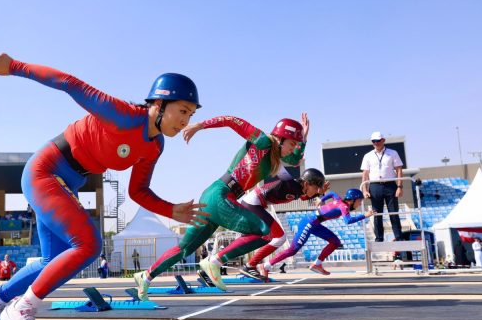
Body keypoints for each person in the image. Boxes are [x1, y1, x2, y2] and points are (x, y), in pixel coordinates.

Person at [0, 53, 207, 320]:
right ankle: (22, 307)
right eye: (182, 111)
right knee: (88, 245)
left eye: (191, 115)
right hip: (44, 171)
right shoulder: (122, 115)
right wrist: (15, 67)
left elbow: (138, 191)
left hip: (67, 183)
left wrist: (171, 210)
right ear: (158, 104)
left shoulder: (155, 146)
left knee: (51, 261)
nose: (185, 121)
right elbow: (69, 83)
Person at [135, 115, 307, 299]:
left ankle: (145, 276)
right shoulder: (262, 140)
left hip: (215, 197)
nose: (293, 149)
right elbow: (231, 121)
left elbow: (296, 159)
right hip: (221, 196)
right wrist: (200, 125)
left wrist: (303, 138)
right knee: (265, 232)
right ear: (280, 138)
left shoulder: (275, 162)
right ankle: (215, 261)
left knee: (185, 249)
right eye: (292, 143)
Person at [239, 167, 329, 280]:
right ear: (306, 184)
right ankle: (250, 265)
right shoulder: (290, 183)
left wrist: (319, 193)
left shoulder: (299, 189)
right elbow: (279, 168)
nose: (316, 191)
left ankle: (249, 264)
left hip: (254, 203)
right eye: (316, 188)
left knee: (268, 237)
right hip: (253, 203)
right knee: (280, 237)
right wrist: (274, 158)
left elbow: (304, 197)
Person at [258, 189, 374, 276]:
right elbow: (348, 221)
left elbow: (332, 193)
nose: (360, 204)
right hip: (309, 223)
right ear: (352, 200)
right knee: (293, 249)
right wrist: (365, 215)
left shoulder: (339, 200)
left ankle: (317, 264)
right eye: (359, 201)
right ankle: (266, 266)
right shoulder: (344, 207)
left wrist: (321, 199)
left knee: (335, 242)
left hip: (315, 223)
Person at [361, 131, 404, 243]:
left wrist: (399, 186)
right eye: (374, 141)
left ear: (383, 140)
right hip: (375, 186)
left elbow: (399, 170)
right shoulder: (368, 156)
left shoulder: (392, 153)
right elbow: (365, 174)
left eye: (378, 140)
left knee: (393, 212)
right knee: (376, 214)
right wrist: (365, 190)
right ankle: (379, 239)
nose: (376, 143)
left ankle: (399, 237)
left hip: (390, 185)